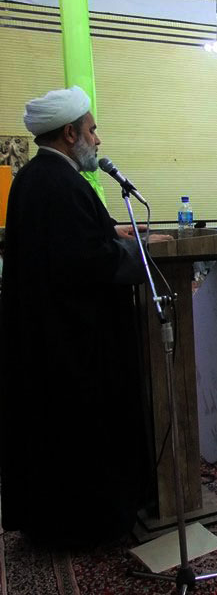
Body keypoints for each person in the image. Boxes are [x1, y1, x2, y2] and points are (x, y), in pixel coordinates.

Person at [0, 86, 172, 546]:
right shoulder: (60, 184)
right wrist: (140, 253)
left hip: (49, 335)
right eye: (92, 130)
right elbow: (87, 261)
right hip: (73, 344)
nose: (98, 139)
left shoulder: (38, 177)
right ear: (70, 133)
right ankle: (89, 526)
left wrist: (115, 231)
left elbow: (75, 239)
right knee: (83, 432)